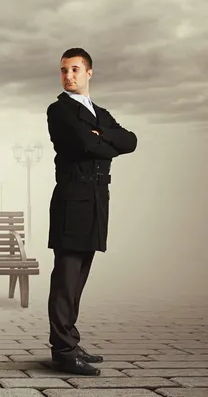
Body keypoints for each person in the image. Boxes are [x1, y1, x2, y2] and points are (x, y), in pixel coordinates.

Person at [46, 48, 137, 376]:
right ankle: (63, 352)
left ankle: (71, 339)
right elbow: (88, 145)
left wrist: (104, 135)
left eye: (73, 70)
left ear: (88, 73)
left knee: (80, 276)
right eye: (63, 70)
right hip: (73, 202)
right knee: (66, 278)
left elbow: (131, 140)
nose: (67, 76)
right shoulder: (59, 110)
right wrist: (102, 140)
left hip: (97, 203)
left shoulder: (99, 112)